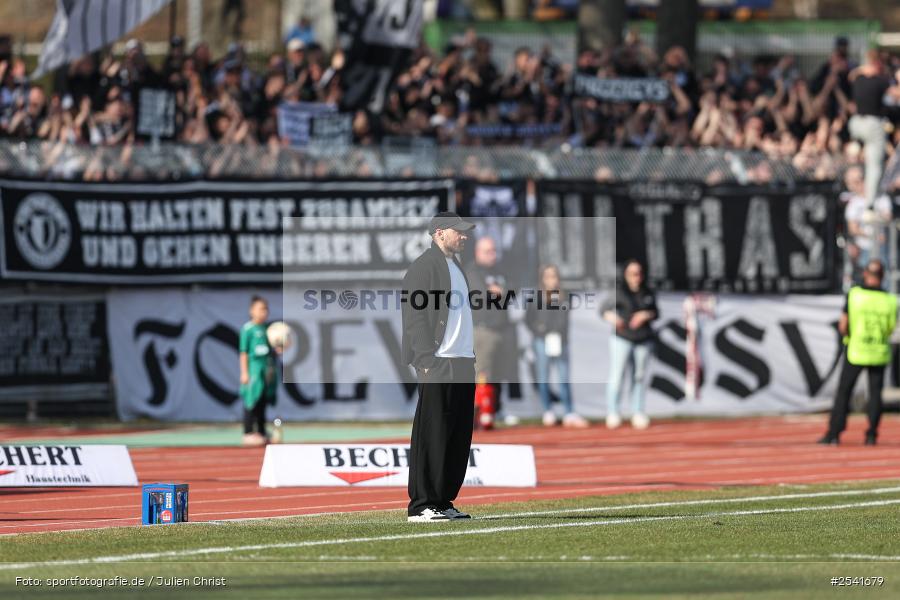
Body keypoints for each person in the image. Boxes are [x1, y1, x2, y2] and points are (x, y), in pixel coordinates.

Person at [401, 212, 477, 522]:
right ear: (438, 233)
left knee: (456, 434)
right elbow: (414, 316)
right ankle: (422, 504)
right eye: (458, 231)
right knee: (433, 432)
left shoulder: (456, 267)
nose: (464, 236)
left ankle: (443, 499)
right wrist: (425, 359)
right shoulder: (424, 267)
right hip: (439, 362)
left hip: (461, 362)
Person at [819, 260, 897, 446]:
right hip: (878, 351)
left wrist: (849, 336)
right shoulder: (890, 300)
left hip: (856, 351)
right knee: (876, 394)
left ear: (865, 274)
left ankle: (834, 433)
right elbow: (890, 328)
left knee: (844, 392)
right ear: (883, 276)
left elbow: (843, 325)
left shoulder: (855, 295)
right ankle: (871, 434)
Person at [525, 264, 589, 428]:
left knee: (563, 378)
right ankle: (548, 411)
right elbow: (528, 319)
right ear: (542, 278)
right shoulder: (535, 296)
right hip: (541, 341)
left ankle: (569, 412)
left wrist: (556, 332)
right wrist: (539, 330)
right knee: (543, 378)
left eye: (554, 276)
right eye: (548, 276)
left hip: (561, 341)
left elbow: (563, 317)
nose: (551, 280)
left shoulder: (564, 296)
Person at [465, 236, 518, 427]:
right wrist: (499, 293)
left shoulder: (499, 270)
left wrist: (500, 292)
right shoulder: (472, 271)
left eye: (494, 250)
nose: (492, 255)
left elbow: (513, 290)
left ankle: (496, 409)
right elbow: (479, 295)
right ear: (478, 252)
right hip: (483, 330)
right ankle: (479, 411)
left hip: (502, 329)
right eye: (488, 251)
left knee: (498, 372)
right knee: (482, 373)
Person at [602, 259, 658, 430]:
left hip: (643, 339)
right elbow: (603, 310)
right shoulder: (619, 292)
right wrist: (613, 318)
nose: (636, 277)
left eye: (639, 273)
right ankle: (613, 412)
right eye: (632, 274)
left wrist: (644, 315)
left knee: (639, 377)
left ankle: (637, 411)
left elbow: (656, 312)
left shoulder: (647, 291)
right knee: (617, 376)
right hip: (622, 338)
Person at [848, 50, 900, 210]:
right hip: (872, 125)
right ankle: (870, 203)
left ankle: (857, 146)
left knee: (866, 147)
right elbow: (896, 94)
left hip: (855, 123)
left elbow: (851, 75)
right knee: (874, 165)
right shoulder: (880, 80)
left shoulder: (859, 78)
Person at [239, 296, 278, 447]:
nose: (264, 312)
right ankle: (248, 432)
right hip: (253, 369)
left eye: (266, 309)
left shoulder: (268, 329)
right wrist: (244, 372)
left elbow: (273, 349)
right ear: (252, 311)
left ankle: (261, 431)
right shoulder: (248, 329)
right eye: (261, 309)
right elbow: (243, 352)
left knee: (263, 400)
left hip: (266, 369)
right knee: (251, 400)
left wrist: (279, 347)